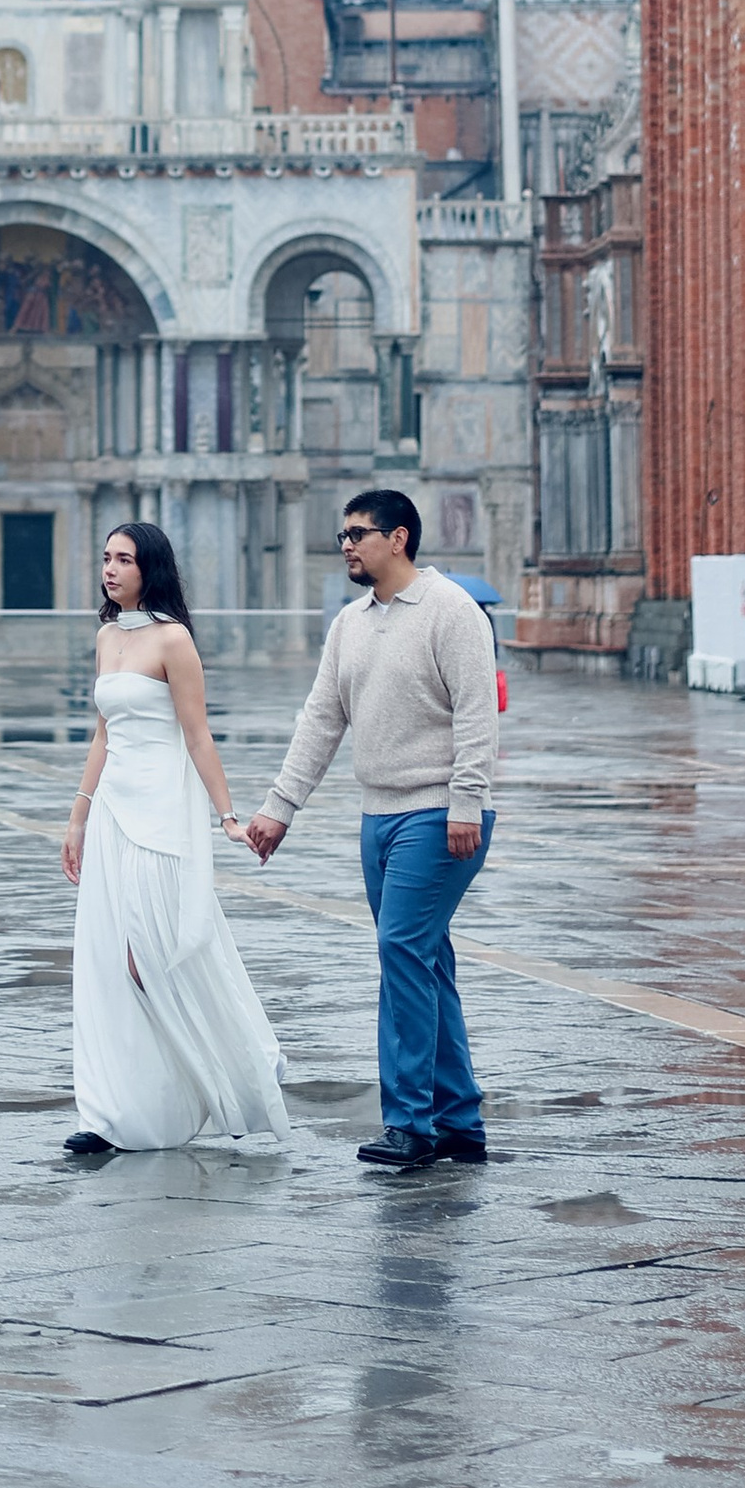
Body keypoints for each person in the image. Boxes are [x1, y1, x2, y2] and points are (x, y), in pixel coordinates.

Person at [243, 488, 499, 1175]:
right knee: (425, 960)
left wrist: (466, 804)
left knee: (401, 955)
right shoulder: (350, 624)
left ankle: (410, 1123)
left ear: (400, 538)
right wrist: (278, 809)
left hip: (439, 814)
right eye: (343, 535)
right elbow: (321, 720)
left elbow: (478, 715)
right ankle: (460, 1121)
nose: (348, 545)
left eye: (360, 533)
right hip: (377, 815)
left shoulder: (452, 612)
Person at [60, 523, 290, 1160]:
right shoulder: (107, 636)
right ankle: (115, 1113)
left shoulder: (174, 639)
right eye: (105, 557)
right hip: (112, 813)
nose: (110, 569)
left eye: (124, 559)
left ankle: (230, 1075)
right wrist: (78, 817)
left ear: (149, 568)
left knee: (156, 956)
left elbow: (198, 736)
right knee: (110, 964)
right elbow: (103, 736)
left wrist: (226, 818)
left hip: (163, 812)